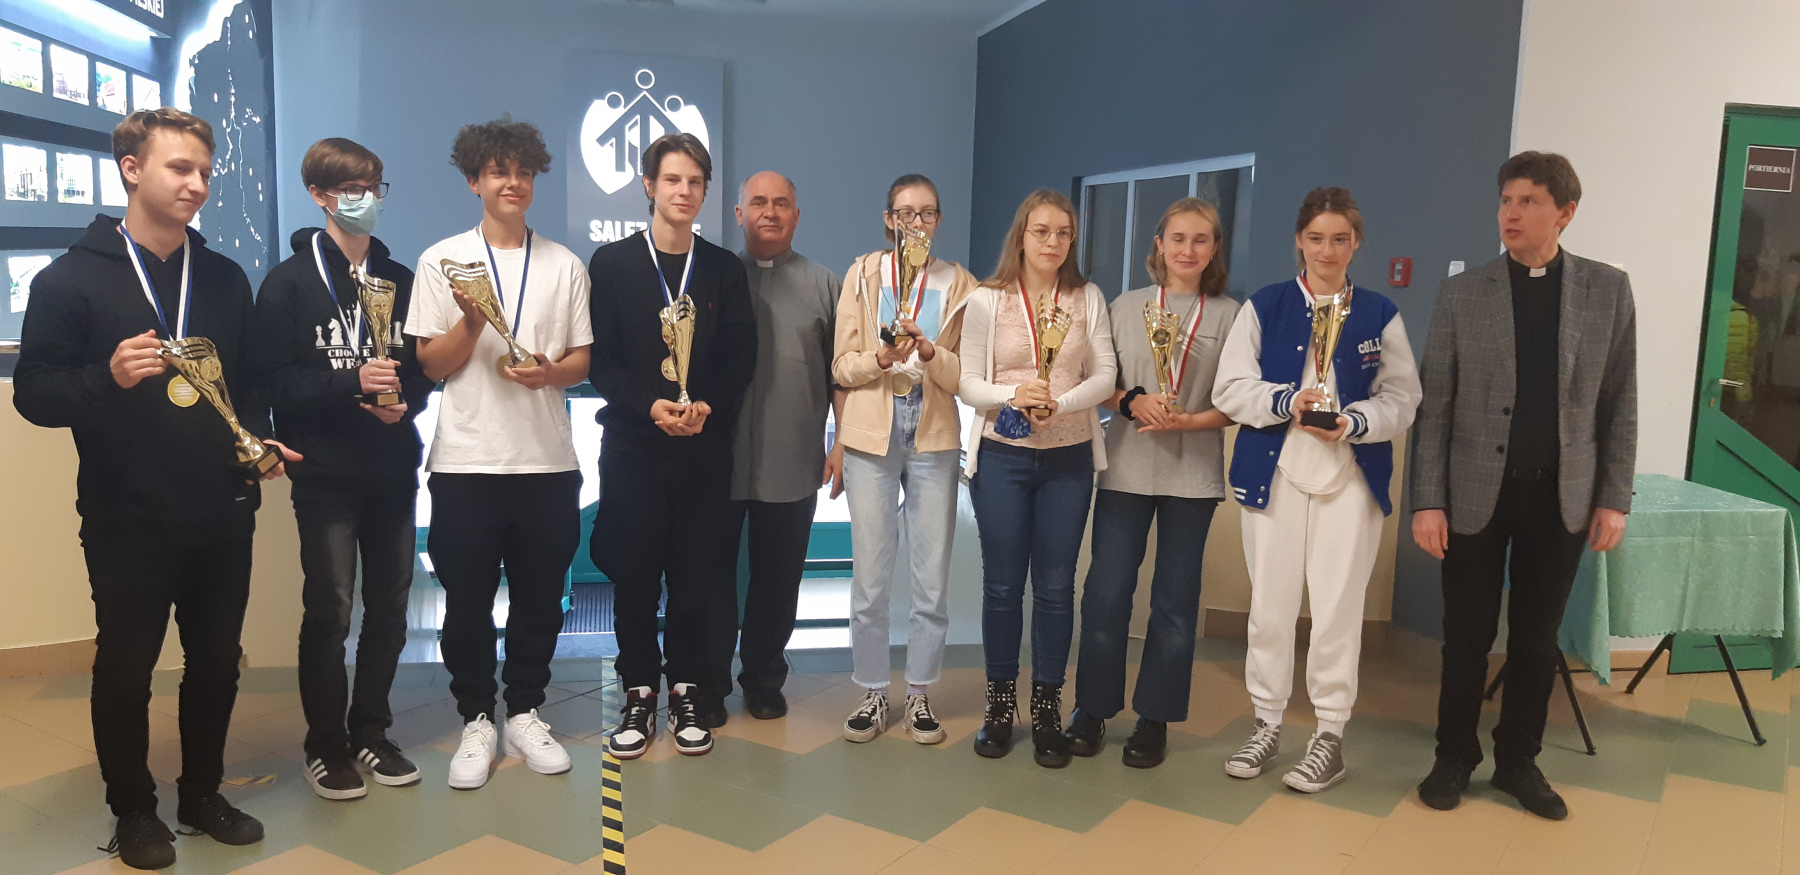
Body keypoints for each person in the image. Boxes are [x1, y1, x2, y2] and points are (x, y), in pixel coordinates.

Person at [13, 108, 299, 869]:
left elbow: (250, 383)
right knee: (127, 666)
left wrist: (258, 439)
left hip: (222, 508)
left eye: (205, 171)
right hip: (127, 514)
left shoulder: (224, 278)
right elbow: (33, 393)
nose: (197, 184)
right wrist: (104, 377)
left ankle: (201, 793)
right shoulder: (69, 279)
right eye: (180, 168)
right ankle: (134, 810)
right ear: (132, 169)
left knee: (216, 661)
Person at [1413, 152, 1636, 821]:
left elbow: (1620, 401)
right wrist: (1428, 499)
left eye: (1529, 201)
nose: (1511, 213)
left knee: (1537, 640)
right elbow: (1436, 405)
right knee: (1466, 634)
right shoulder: (1463, 293)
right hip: (1474, 492)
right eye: (1506, 200)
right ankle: (1454, 755)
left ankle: (1518, 761)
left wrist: (1613, 497)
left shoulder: (1607, 290)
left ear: (1565, 212)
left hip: (1561, 496)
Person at [1213, 186, 1420, 794]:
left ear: (1356, 244)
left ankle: (1329, 735)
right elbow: (1230, 388)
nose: (1327, 250)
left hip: (1348, 479)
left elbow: (1403, 398)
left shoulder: (1379, 313)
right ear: (1299, 242)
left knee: (1337, 610)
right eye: (1316, 238)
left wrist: (1354, 420)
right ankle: (1267, 723)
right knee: (1270, 608)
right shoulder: (1267, 306)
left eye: (1339, 239)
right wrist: (1286, 401)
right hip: (1276, 474)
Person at [406, 118, 592, 790]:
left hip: (546, 462)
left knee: (541, 600)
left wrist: (550, 373)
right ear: (474, 181)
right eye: (498, 171)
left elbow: (581, 360)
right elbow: (432, 363)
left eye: (523, 172)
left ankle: (526, 712)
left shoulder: (564, 264)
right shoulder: (442, 260)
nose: (512, 182)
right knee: (467, 602)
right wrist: (472, 321)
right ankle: (477, 718)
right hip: (466, 463)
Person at [255, 137, 434, 800]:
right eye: (352, 188)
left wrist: (408, 402)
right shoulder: (287, 283)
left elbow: (421, 369)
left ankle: (372, 731)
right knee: (330, 610)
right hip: (326, 474)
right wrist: (349, 383)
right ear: (320, 195)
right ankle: (325, 744)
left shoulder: (402, 279)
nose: (367, 199)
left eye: (375, 187)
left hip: (392, 468)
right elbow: (274, 382)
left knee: (390, 609)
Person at [592, 133, 755, 759]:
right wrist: (648, 405)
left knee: (695, 578)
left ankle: (686, 688)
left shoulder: (723, 268)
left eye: (695, 182)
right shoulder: (612, 264)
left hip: (702, 449)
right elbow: (602, 360)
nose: (684, 191)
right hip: (634, 448)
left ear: (705, 191)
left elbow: (741, 355)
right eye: (672, 180)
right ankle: (638, 691)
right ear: (648, 185)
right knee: (634, 577)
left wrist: (705, 404)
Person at [1064, 197, 1240, 768]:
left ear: (1214, 249)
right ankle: (1092, 708)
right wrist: (1134, 402)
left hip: (1194, 475)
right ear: (1159, 245)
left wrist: (1189, 421)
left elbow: (1238, 401)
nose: (1188, 250)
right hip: (1126, 469)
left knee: (1175, 601)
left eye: (1201, 240)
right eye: (1177, 238)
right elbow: (1100, 382)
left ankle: (1155, 717)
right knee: (1107, 592)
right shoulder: (1125, 306)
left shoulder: (1231, 315)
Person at [959, 189, 1116, 768]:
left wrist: (1060, 402)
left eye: (1063, 233)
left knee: (1054, 588)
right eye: (1042, 231)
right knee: (1002, 588)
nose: (1053, 242)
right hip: (1002, 457)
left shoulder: (1087, 297)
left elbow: (1106, 374)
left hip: (1067, 459)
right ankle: (1000, 707)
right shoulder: (987, 298)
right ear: (1021, 235)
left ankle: (1047, 707)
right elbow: (968, 383)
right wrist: (1014, 394)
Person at [834, 174, 978, 744]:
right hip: (872, 435)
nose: (916, 223)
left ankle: (919, 693)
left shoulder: (960, 284)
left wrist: (929, 351)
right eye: (905, 213)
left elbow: (965, 377)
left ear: (938, 220)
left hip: (933, 436)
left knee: (931, 578)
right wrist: (879, 357)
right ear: (888, 219)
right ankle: (873, 690)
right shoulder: (863, 275)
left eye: (927, 213)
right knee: (870, 578)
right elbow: (841, 366)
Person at [723, 171, 843, 720]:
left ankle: (764, 678)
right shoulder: (716, 278)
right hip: (717, 461)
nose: (769, 212)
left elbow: (843, 374)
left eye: (781, 203)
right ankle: (706, 682)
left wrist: (841, 442)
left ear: (796, 215)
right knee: (713, 579)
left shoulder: (824, 285)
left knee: (778, 577)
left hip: (792, 458)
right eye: (758, 202)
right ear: (739, 213)